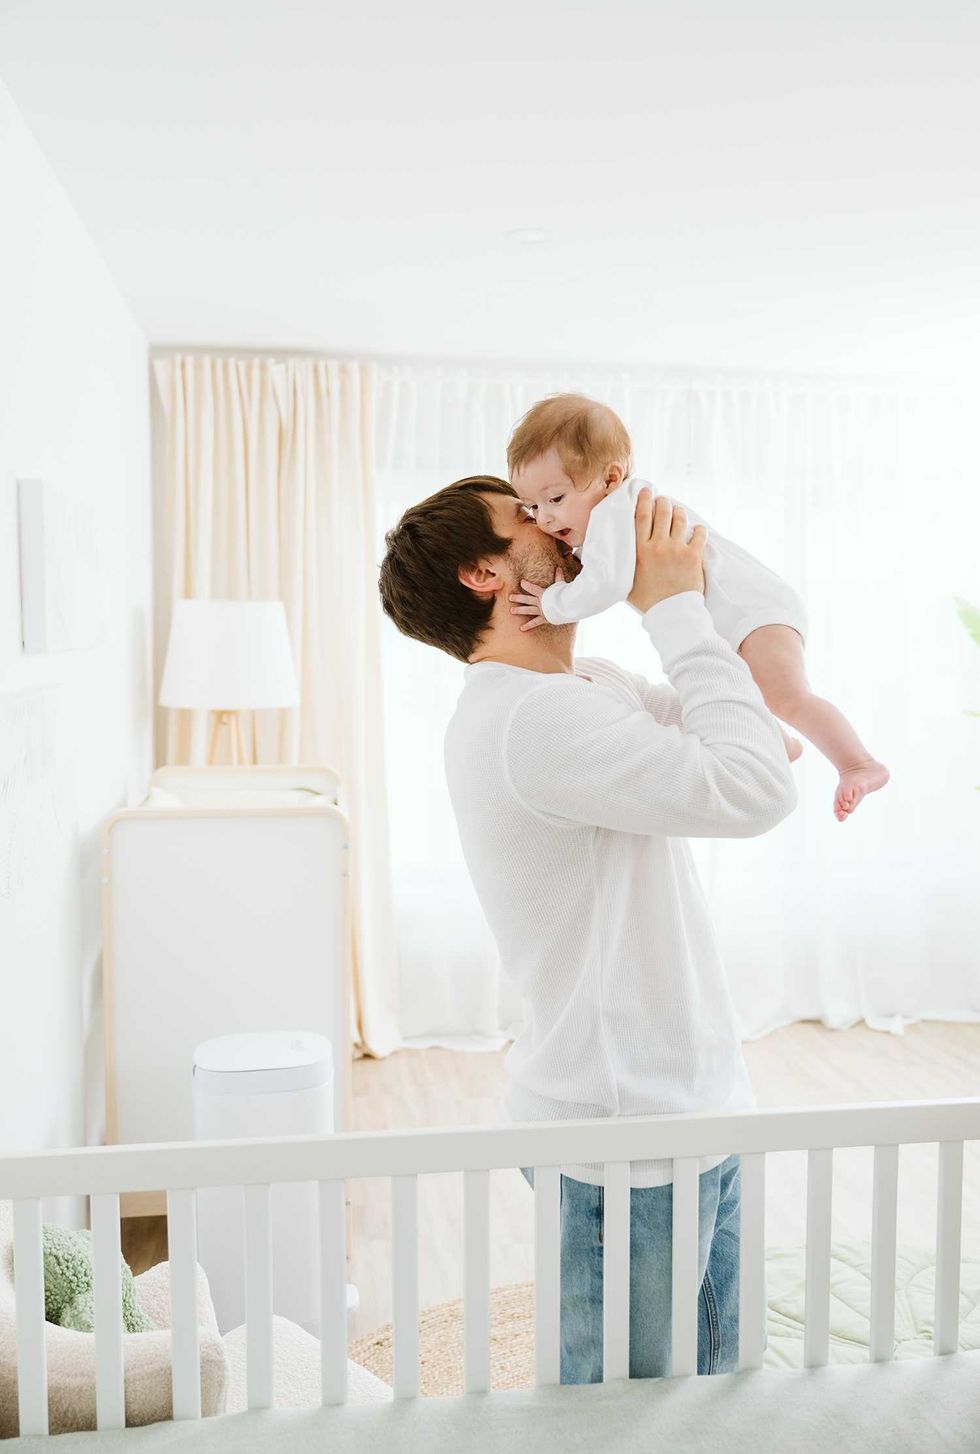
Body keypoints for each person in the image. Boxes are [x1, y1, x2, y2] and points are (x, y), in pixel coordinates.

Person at [378, 476, 796, 1382]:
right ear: (486, 573)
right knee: (620, 1412)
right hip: (626, 1132)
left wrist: (697, 587)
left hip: (690, 1100)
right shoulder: (534, 717)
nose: (561, 525)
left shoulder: (586, 683)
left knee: (721, 1382)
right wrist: (673, 607)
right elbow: (756, 787)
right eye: (525, 516)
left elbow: (758, 731)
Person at [507, 393, 889, 821]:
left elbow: (607, 584)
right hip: (746, 612)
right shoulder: (613, 513)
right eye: (533, 507)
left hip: (754, 611)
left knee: (788, 696)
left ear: (610, 478)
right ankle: (780, 743)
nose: (544, 518)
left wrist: (552, 603)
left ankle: (858, 764)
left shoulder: (615, 511)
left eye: (555, 499)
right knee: (747, 689)